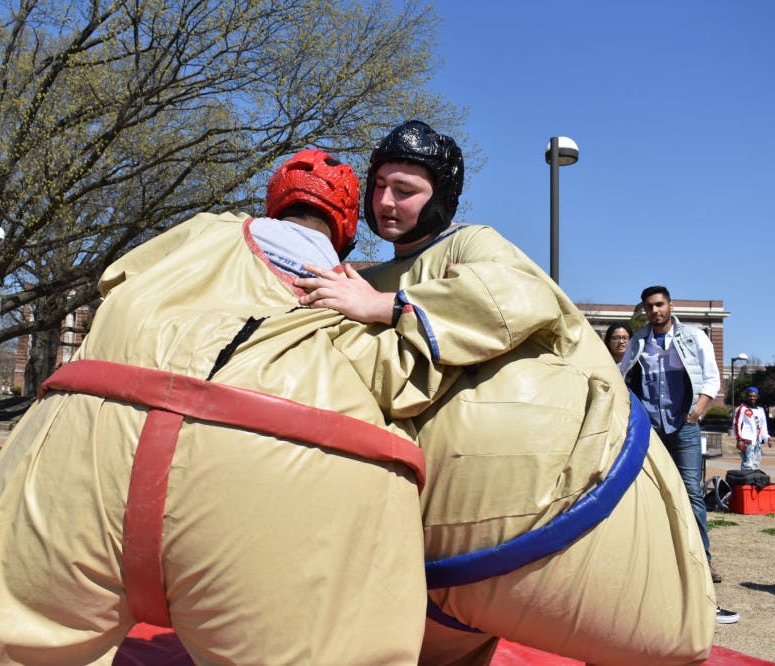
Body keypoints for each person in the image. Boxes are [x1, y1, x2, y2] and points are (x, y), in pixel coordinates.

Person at [0, 149, 435, 665]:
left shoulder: (207, 231)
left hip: (89, 463)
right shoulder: (358, 292)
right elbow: (404, 379)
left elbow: (117, 279)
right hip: (275, 488)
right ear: (346, 229)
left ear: (272, 205)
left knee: (26, 636)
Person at [296, 121, 716, 664]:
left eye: (405, 189)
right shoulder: (365, 274)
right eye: (378, 186)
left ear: (440, 195)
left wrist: (391, 308)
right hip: (427, 523)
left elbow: (513, 297)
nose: (384, 201)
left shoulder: (472, 243)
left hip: (557, 497)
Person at [620, 285, 738, 623]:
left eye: (659, 305)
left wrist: (697, 411)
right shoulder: (640, 340)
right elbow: (623, 376)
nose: (655, 311)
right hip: (650, 428)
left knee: (690, 491)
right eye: (648, 307)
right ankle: (657, 558)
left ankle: (702, 558)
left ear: (670, 305)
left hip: (683, 426)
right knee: (648, 491)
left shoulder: (693, 336)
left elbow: (711, 378)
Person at [733, 386, 771, 470]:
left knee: (756, 463)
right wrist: (739, 439)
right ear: (747, 396)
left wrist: (767, 437)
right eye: (750, 396)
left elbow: (763, 425)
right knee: (747, 463)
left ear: (757, 397)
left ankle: (754, 482)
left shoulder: (760, 410)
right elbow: (736, 424)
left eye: (754, 396)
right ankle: (746, 482)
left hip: (757, 441)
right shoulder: (741, 409)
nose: (752, 398)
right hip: (746, 440)